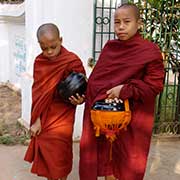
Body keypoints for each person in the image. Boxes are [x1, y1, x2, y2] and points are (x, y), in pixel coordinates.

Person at [79, 3, 164, 180]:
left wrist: (124, 90)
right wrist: (86, 95)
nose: (121, 27)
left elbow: (154, 85)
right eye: (117, 22)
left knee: (127, 163)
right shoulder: (110, 48)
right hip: (104, 116)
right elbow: (97, 81)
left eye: (127, 21)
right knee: (107, 162)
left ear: (139, 23)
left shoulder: (149, 51)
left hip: (133, 119)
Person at [24, 23, 86, 180]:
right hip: (45, 115)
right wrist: (36, 119)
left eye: (53, 46)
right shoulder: (40, 62)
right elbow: (38, 92)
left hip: (64, 115)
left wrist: (80, 100)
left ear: (61, 40)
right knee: (48, 156)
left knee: (60, 154)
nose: (49, 52)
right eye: (45, 48)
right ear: (39, 45)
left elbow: (83, 85)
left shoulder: (71, 60)